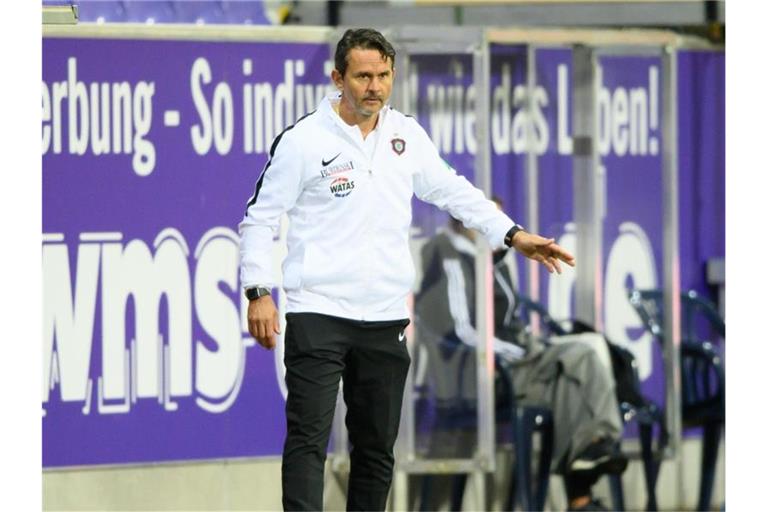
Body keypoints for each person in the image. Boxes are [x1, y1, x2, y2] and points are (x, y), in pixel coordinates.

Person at [238, 28, 574, 511]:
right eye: (362, 77)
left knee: (376, 451)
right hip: (318, 313)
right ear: (338, 78)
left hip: (384, 317)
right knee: (308, 442)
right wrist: (258, 290)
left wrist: (512, 234)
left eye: (383, 75)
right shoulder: (304, 141)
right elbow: (260, 218)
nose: (374, 86)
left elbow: (454, 191)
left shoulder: (406, 135)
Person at [415, 211, 628, 511]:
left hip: (508, 364)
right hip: (481, 377)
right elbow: (461, 333)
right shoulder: (446, 256)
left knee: (578, 371)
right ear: (467, 218)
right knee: (583, 355)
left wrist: (526, 348)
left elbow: (508, 320)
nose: (500, 230)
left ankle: (586, 476)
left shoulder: (489, 258)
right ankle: (589, 470)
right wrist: (523, 353)